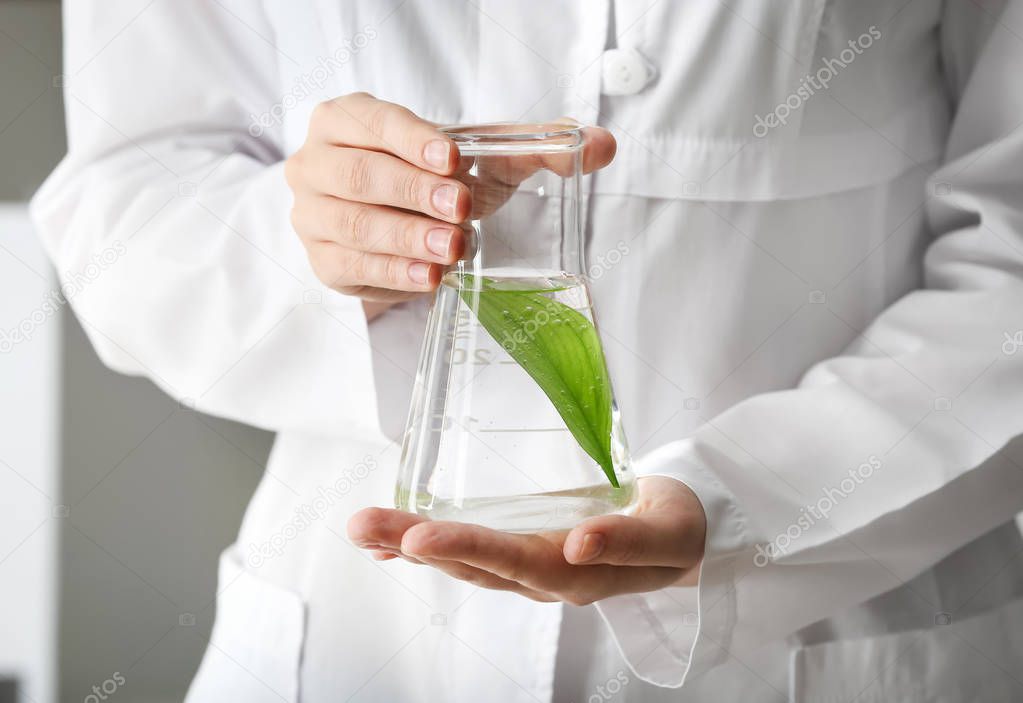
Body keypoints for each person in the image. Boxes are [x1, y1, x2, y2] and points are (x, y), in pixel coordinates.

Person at [32, 1, 1023, 700]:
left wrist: (746, 497)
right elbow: (128, 199)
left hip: (836, 629)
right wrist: (314, 242)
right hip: (356, 633)